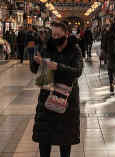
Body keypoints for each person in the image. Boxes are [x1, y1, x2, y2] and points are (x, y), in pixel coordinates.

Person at [31, 22, 84, 157]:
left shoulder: (75, 49)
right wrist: (36, 62)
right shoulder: (47, 48)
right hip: (47, 100)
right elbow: (34, 70)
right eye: (53, 34)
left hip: (67, 101)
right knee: (44, 142)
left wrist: (58, 67)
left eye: (58, 35)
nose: (55, 37)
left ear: (66, 34)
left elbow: (77, 71)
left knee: (65, 143)